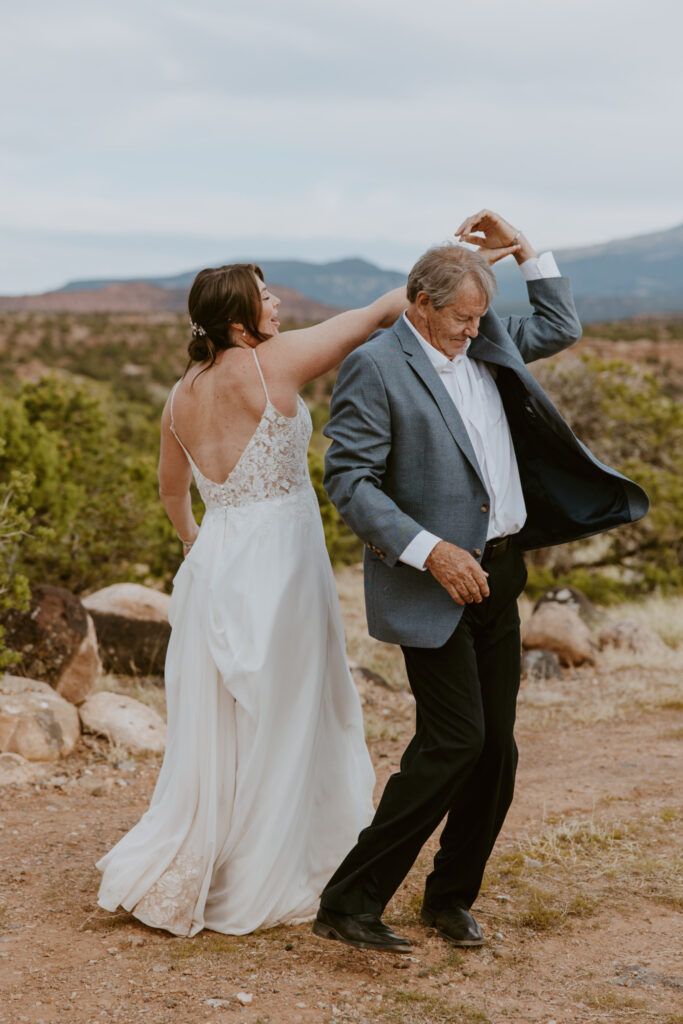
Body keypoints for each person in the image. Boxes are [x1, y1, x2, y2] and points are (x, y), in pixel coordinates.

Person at [313, 209, 649, 953]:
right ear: (420, 305)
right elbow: (350, 480)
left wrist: (526, 250)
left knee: (496, 748)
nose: (472, 330)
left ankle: (448, 898)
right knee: (453, 741)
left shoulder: (487, 342)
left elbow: (559, 325)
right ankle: (350, 900)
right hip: (429, 579)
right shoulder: (375, 364)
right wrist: (429, 550)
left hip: (500, 572)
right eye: (460, 317)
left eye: (479, 317)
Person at [96, 263, 413, 936]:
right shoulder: (271, 361)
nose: (276, 302)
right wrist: (453, 266)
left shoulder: (179, 394)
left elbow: (170, 491)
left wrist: (194, 545)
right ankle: (273, 862)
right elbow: (380, 312)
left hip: (218, 560)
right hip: (281, 559)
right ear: (239, 323)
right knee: (291, 708)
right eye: (264, 296)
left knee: (231, 720)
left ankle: (223, 846)